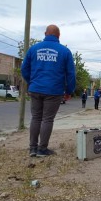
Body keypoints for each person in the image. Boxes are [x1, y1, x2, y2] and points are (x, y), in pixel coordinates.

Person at [21, 24, 76, 157]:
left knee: (36, 118)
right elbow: (71, 74)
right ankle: (42, 149)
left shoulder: (33, 49)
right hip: (54, 90)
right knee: (47, 119)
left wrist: (32, 82)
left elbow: (24, 69)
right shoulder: (64, 51)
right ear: (59, 36)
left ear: (45, 34)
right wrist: (69, 90)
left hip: (35, 89)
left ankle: (32, 148)